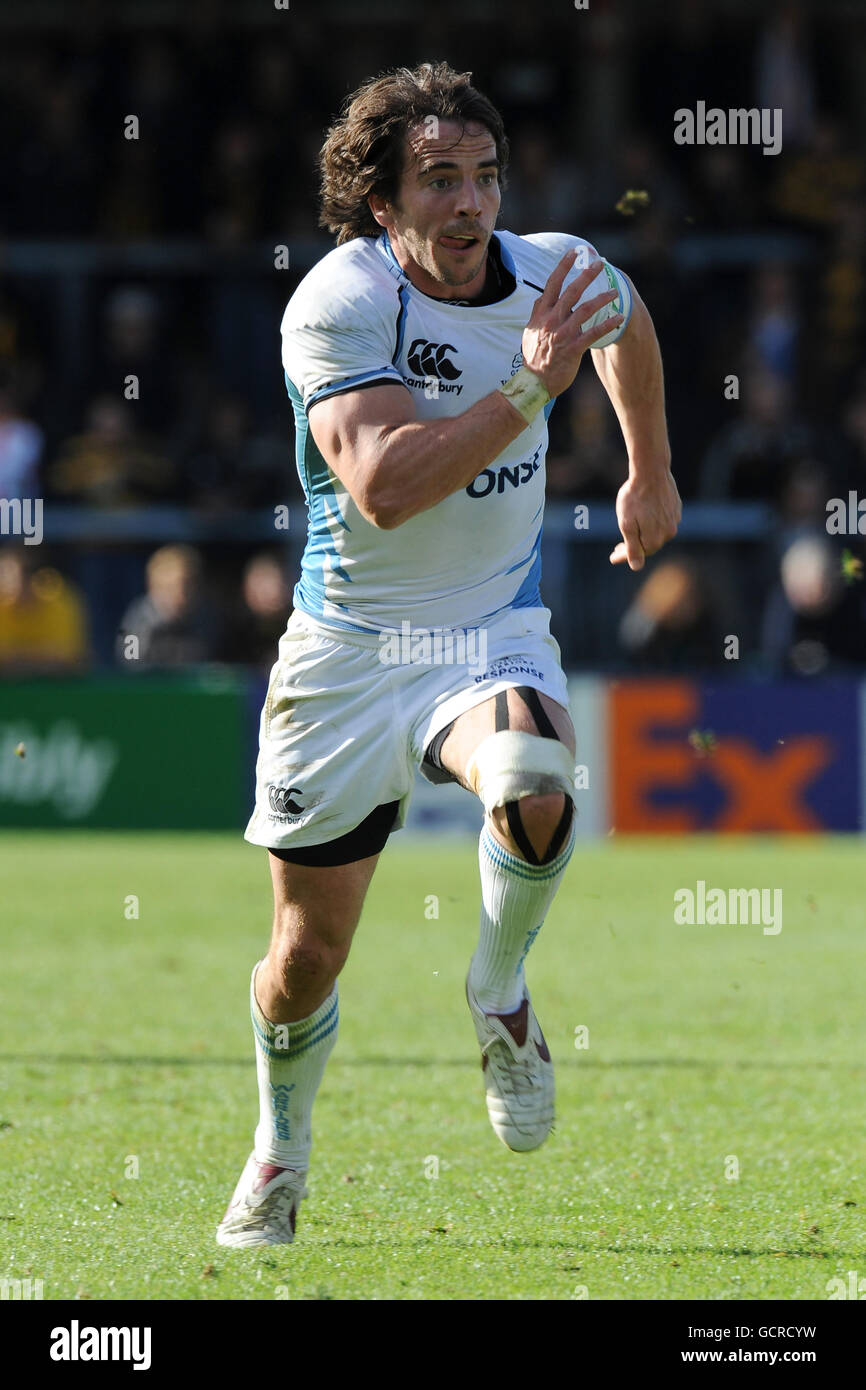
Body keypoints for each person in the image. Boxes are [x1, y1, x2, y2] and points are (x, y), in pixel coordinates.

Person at [216, 61, 680, 1249]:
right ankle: (280, 1145)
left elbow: (622, 320)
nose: (470, 203)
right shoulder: (338, 303)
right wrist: (531, 389)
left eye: (483, 176)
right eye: (438, 181)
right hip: (346, 654)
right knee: (303, 958)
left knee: (533, 783)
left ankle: (497, 992)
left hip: (486, 628)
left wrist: (648, 468)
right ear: (383, 203)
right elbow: (382, 488)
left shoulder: (552, 269)